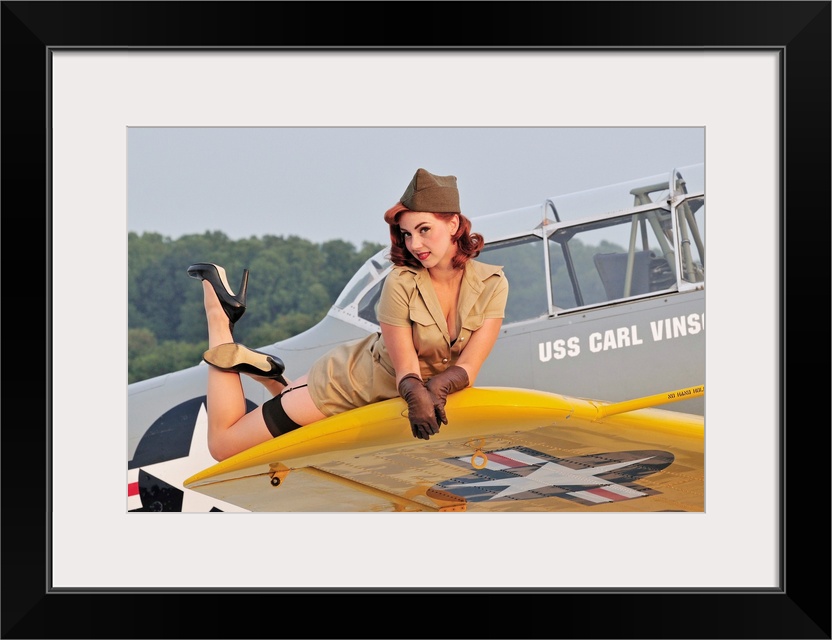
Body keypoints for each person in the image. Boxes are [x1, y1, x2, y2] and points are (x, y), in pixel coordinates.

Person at [188, 168, 509, 462]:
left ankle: (272, 377)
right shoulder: (400, 281)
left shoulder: (492, 284)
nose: (415, 244)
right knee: (224, 446)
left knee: (299, 444)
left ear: (453, 224)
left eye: (424, 230)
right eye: (407, 234)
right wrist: (418, 394)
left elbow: (469, 365)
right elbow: (406, 370)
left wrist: (439, 388)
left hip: (388, 397)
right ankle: (219, 316)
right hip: (350, 385)